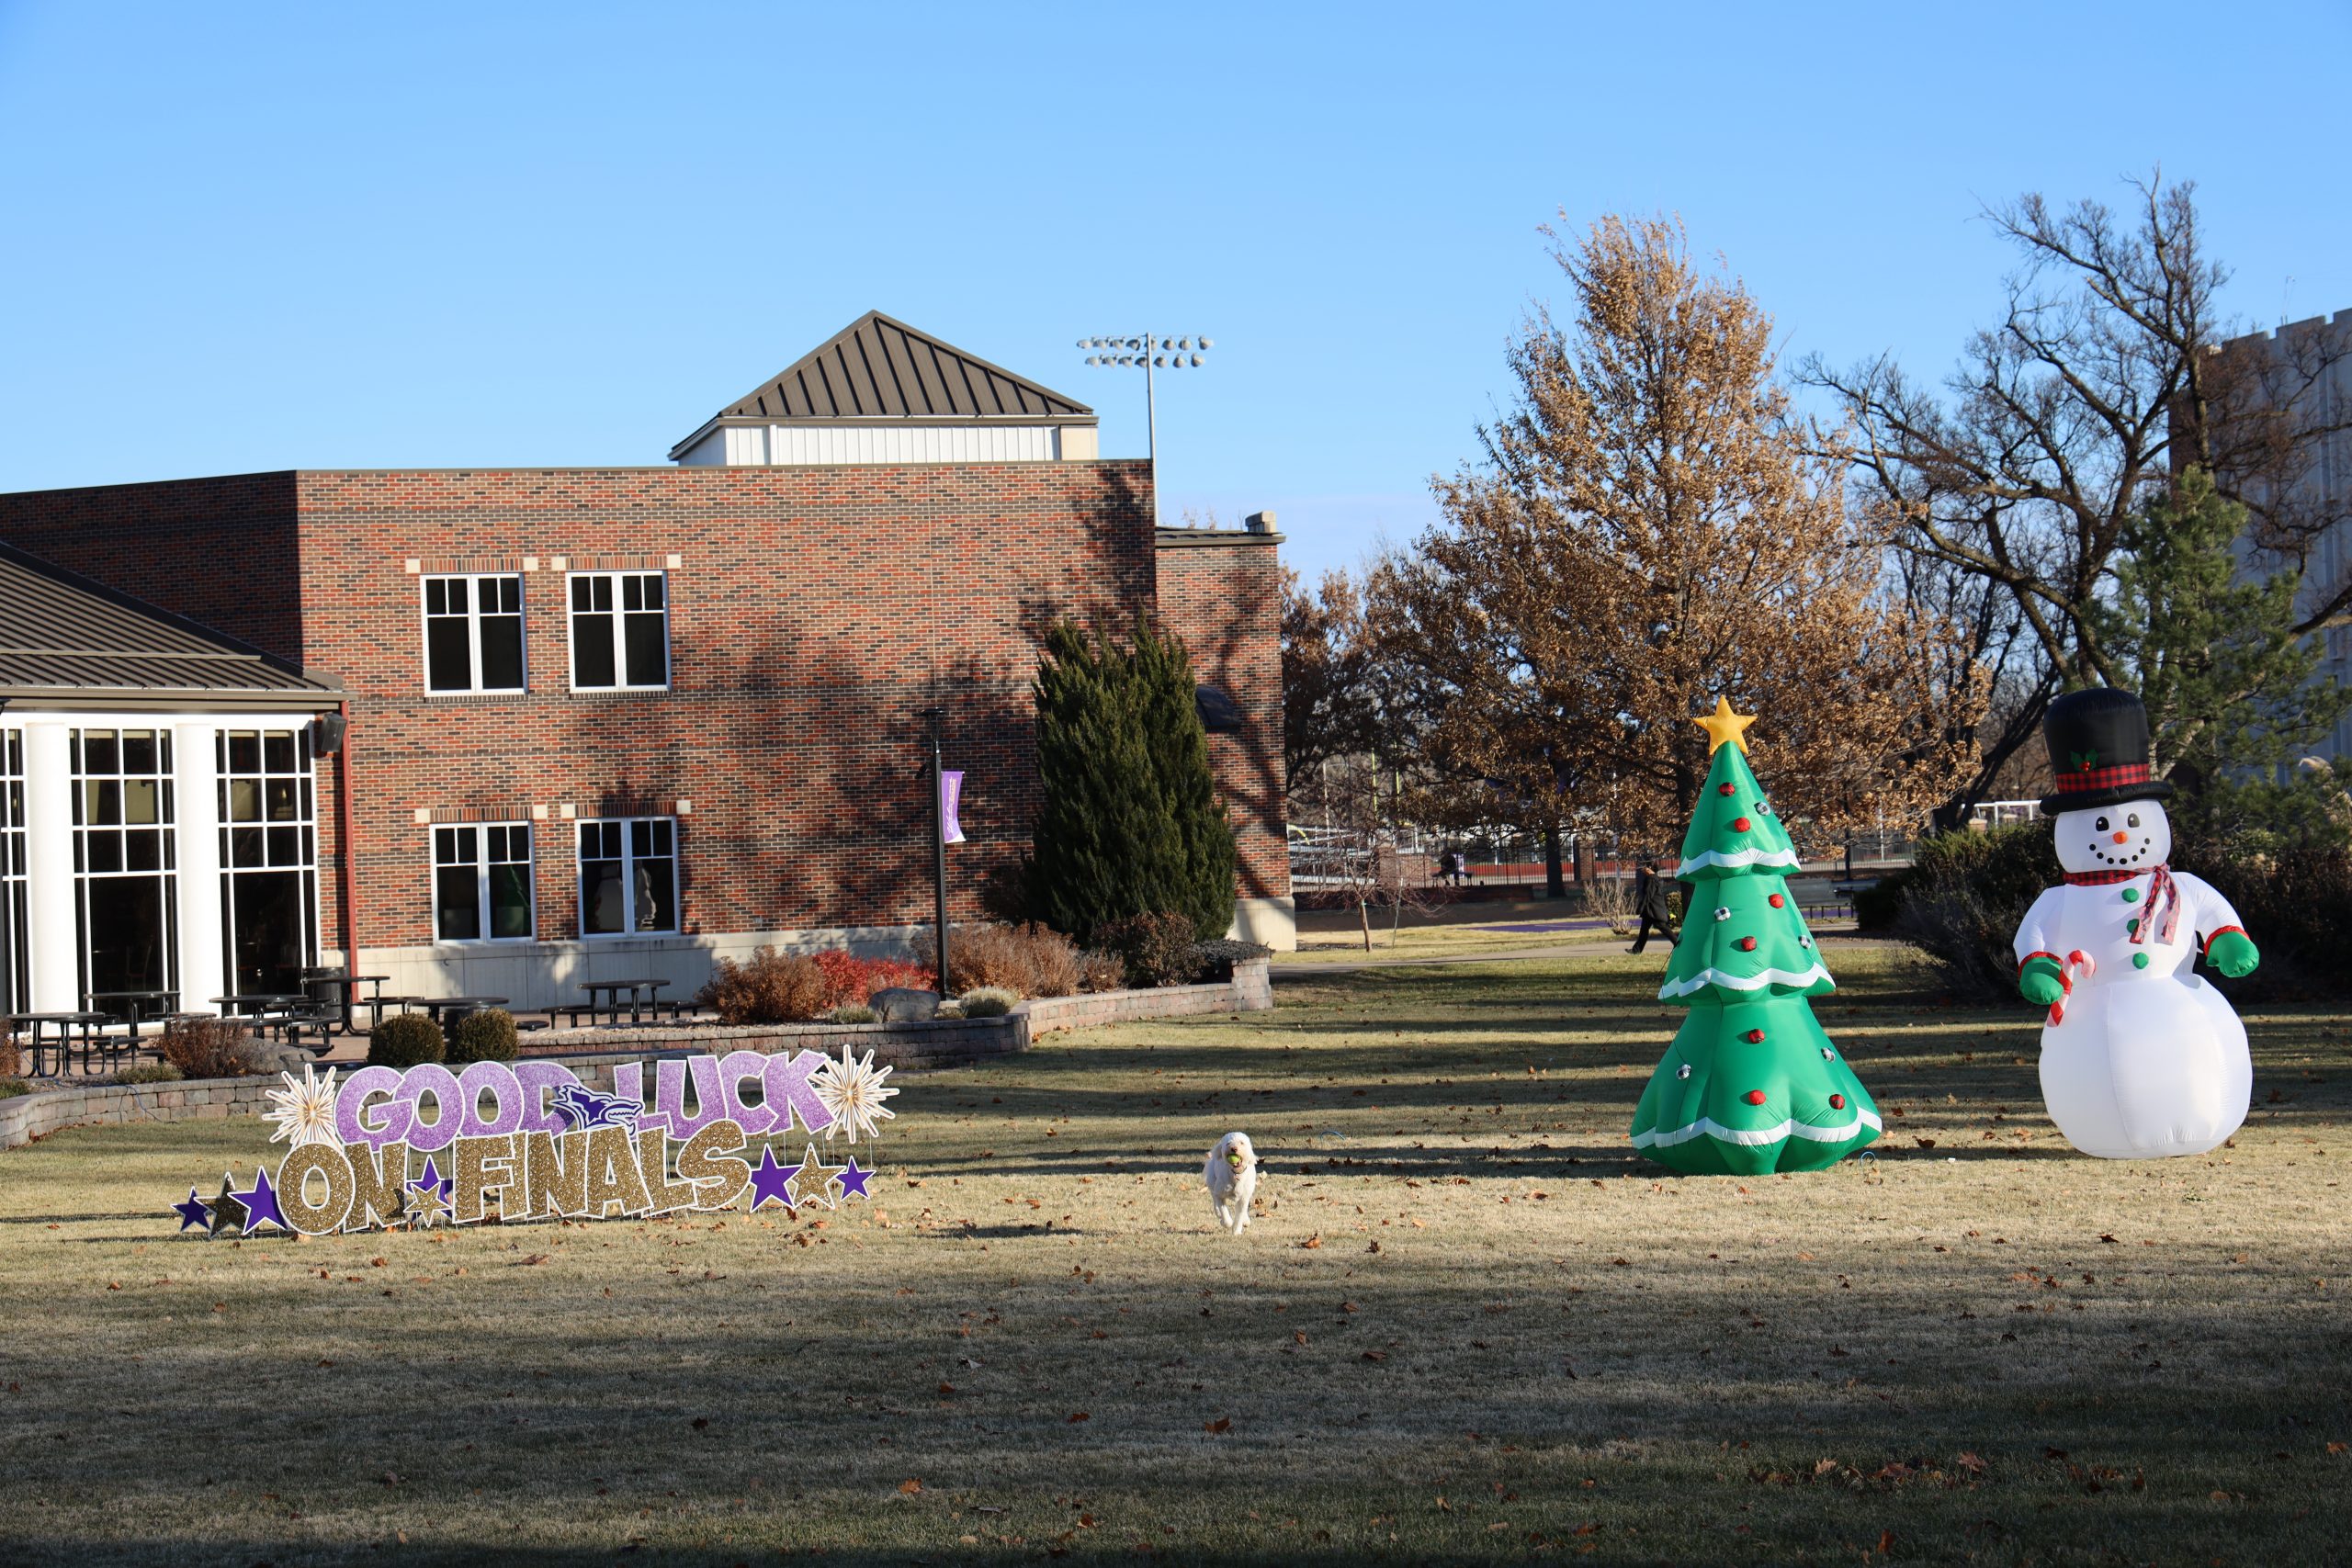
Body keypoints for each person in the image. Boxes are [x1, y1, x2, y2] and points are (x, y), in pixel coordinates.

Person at [1627, 859, 1679, 953]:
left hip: (1654, 910)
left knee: (1662, 927)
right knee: (1644, 931)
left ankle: (1677, 943)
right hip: (1650, 910)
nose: (1642, 871)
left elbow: (1648, 895)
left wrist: (1640, 907)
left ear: (1649, 868)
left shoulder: (1651, 879)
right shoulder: (1656, 878)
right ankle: (1636, 950)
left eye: (1643, 869)